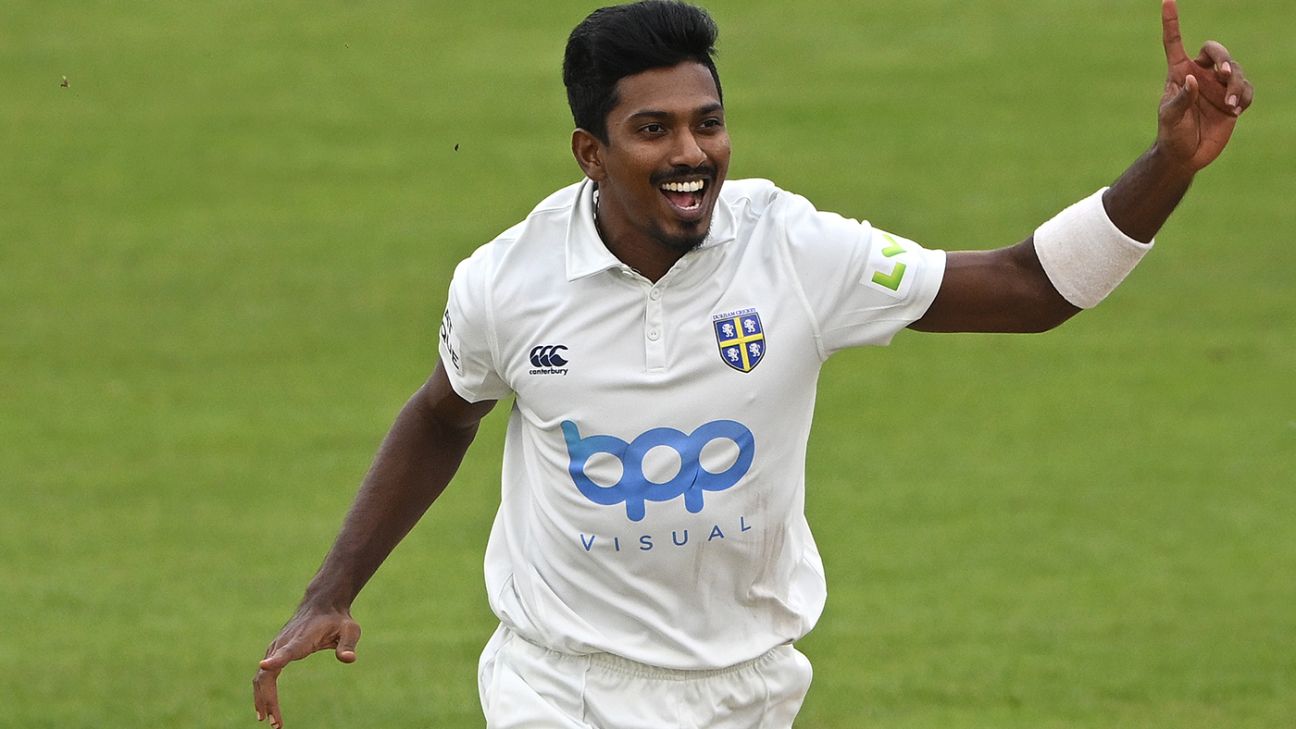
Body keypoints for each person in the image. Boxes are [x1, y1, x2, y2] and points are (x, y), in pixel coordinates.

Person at [253, 1, 1252, 726]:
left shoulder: (793, 250)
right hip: (560, 686)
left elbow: (1030, 288)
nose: (692, 153)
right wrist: (333, 588)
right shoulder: (506, 283)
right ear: (590, 152)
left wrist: (1169, 164)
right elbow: (444, 413)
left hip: (748, 689)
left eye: (707, 122)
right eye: (653, 130)